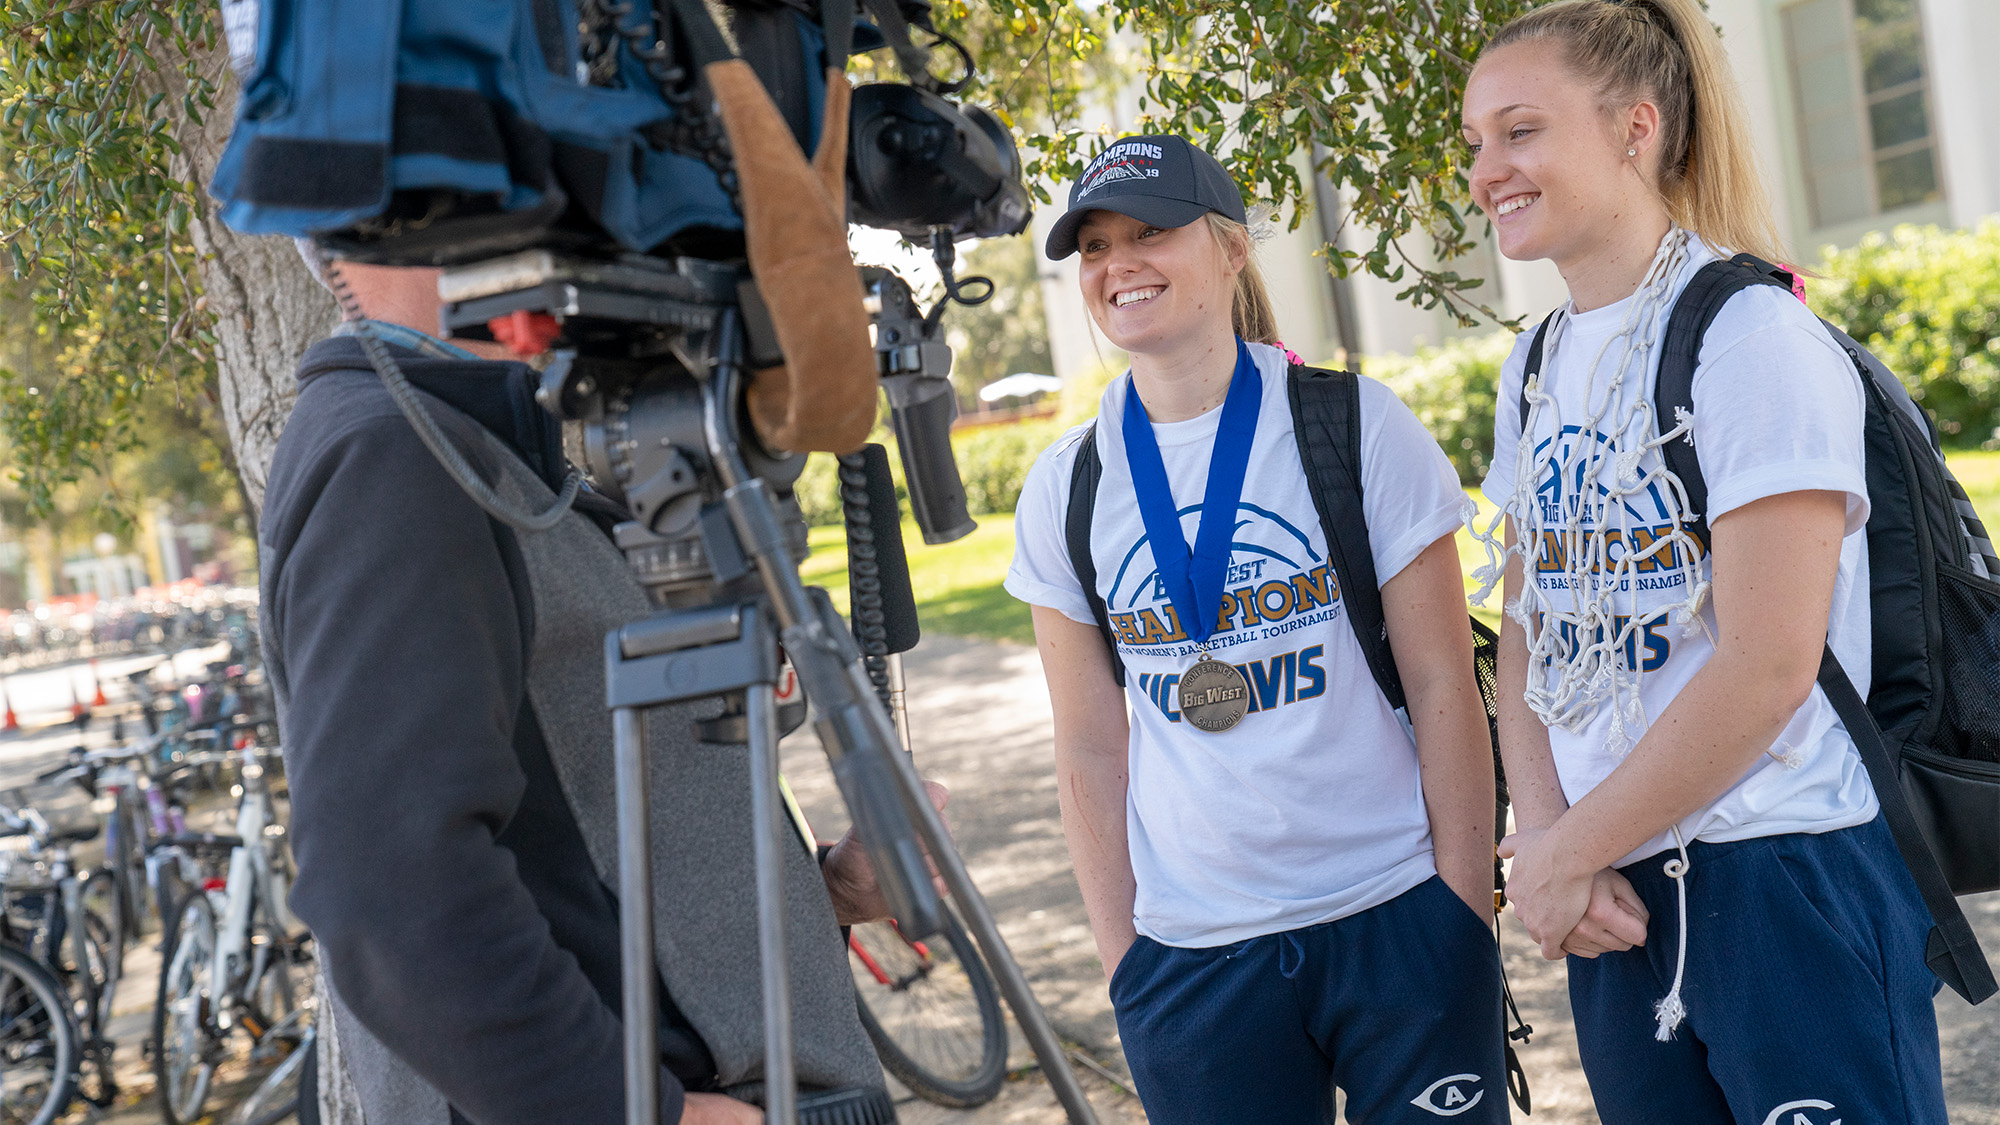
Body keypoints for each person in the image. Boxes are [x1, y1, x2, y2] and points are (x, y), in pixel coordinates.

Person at [262, 251, 933, 1125]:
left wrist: (829, 892)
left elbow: (583, 850)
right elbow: (389, 887)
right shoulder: (395, 454)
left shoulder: (487, 453)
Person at [1461, 1, 1949, 1122]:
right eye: (1474, 142)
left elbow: (1766, 666)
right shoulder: (1531, 363)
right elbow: (1531, 627)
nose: (1487, 169)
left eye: (1520, 131)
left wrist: (1563, 850)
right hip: (1610, 888)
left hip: (1779, 878)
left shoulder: (1751, 339)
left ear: (1635, 128)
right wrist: (1545, 843)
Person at [1004, 135, 1507, 1124]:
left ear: (1230, 249)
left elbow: (1445, 684)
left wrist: (1459, 912)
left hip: (1395, 915)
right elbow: (1089, 746)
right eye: (1093, 247)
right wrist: (1127, 962)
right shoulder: (1066, 486)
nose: (1118, 266)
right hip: (1192, 959)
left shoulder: (1355, 424)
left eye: (1149, 233)